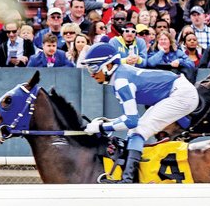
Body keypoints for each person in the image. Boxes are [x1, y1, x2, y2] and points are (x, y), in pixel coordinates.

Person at [82, 42, 200, 183]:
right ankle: (128, 177)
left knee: (138, 130)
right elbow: (129, 119)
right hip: (178, 91)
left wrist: (102, 127)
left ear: (108, 66)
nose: (91, 74)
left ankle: (127, 180)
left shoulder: (121, 82)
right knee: (134, 132)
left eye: (93, 68)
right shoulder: (119, 76)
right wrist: (109, 123)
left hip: (181, 94)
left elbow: (131, 121)